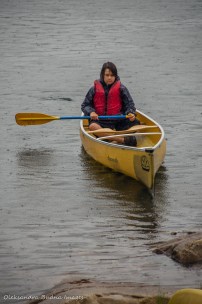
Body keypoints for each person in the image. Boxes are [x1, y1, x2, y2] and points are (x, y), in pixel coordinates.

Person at [81, 62, 140, 146]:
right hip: (100, 121)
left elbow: (130, 104)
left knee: (135, 122)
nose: (110, 78)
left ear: (115, 76)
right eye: (107, 75)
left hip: (118, 120)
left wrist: (131, 113)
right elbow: (85, 105)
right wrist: (91, 112)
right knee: (93, 127)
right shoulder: (93, 89)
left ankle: (108, 137)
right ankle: (122, 140)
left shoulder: (122, 88)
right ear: (102, 75)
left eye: (112, 75)